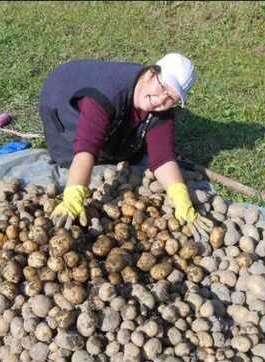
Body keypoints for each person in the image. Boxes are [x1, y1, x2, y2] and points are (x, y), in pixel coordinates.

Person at [38, 53, 213, 239]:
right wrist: (73, 196)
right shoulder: (106, 95)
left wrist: (181, 198)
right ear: (149, 74)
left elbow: (163, 158)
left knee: (129, 151)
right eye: (162, 87)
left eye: (171, 97)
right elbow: (85, 152)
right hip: (60, 101)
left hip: (108, 101)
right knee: (77, 155)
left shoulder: (160, 107)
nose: (161, 100)